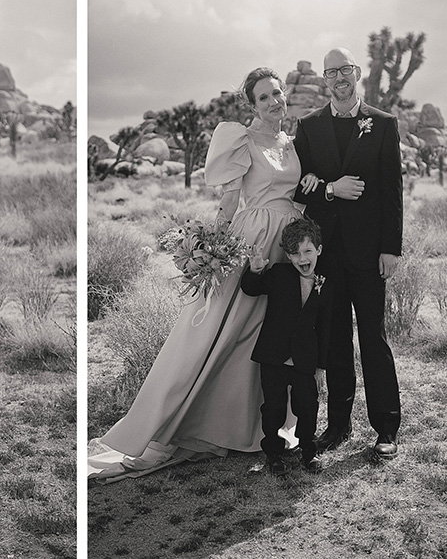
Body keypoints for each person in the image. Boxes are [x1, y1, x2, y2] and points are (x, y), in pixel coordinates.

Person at [89, 67, 318, 481]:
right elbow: (231, 200)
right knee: (220, 331)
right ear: (251, 103)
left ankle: (249, 428)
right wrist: (210, 245)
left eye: (277, 94)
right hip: (252, 241)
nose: (274, 102)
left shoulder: (293, 140)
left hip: (287, 244)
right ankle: (166, 430)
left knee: (269, 337)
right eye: (264, 97)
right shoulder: (240, 138)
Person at [292, 47, 403, 459]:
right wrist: (329, 188)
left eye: (345, 70)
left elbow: (392, 190)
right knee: (335, 338)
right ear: (324, 79)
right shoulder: (308, 126)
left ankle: (386, 428)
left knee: (373, 338)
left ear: (357, 74)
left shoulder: (384, 124)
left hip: (370, 251)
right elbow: (301, 183)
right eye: (331, 72)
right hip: (327, 252)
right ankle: (338, 425)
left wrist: (391, 247)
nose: (339, 78)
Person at [240, 218, 333, 475]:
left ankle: (308, 451)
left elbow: (325, 328)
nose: (302, 258)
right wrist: (256, 269)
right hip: (273, 357)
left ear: (319, 250)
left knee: (307, 406)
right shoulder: (279, 275)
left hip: (305, 359)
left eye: (307, 251)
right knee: (273, 407)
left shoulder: (326, 284)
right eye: (294, 253)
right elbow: (250, 289)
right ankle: (273, 453)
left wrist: (320, 366)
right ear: (287, 256)